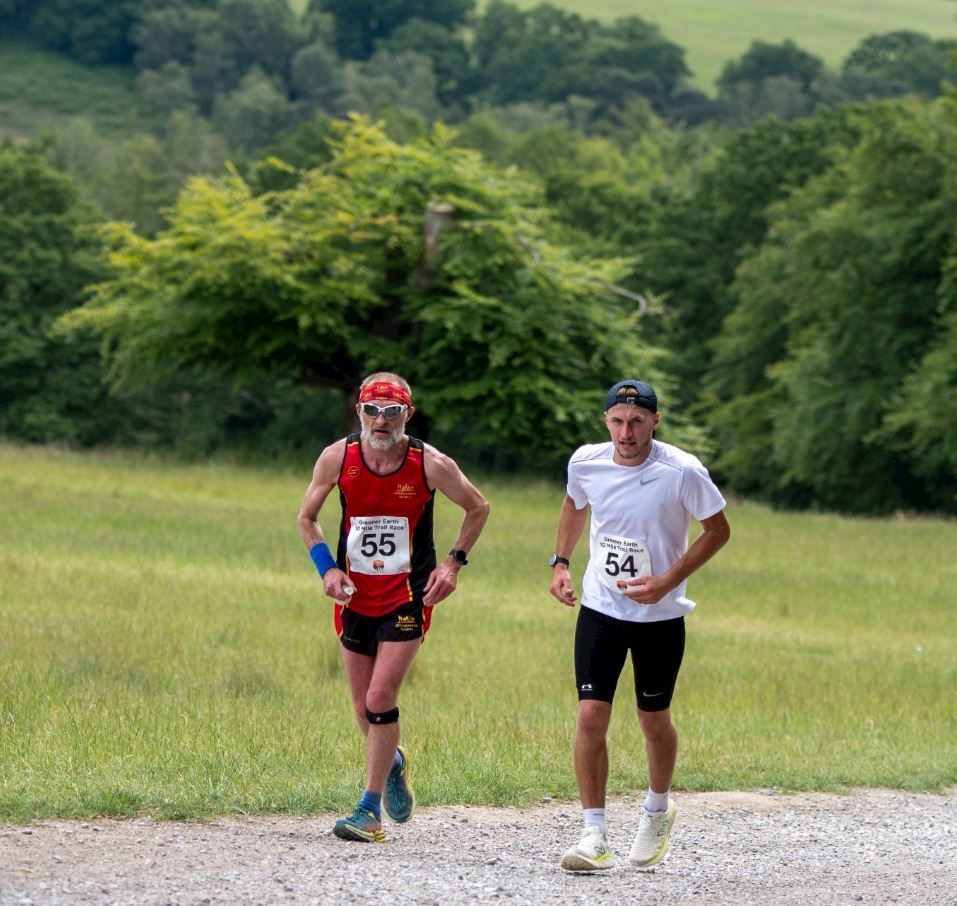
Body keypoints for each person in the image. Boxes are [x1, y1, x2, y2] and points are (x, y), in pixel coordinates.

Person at [298, 371, 490, 843]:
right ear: (358, 412)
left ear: (408, 414)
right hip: (353, 597)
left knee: (381, 698)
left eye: (391, 412)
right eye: (371, 411)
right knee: (364, 710)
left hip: (408, 595)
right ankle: (394, 762)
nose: (380, 422)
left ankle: (368, 811)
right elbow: (307, 518)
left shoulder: (430, 463)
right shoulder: (336, 458)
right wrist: (327, 569)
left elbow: (478, 506)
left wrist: (452, 564)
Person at [548, 379, 731, 872]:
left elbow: (718, 530)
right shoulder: (586, 461)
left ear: (654, 420)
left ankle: (657, 808)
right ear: (605, 420)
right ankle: (593, 834)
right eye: (616, 421)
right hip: (601, 608)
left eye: (635, 422)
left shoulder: (682, 471)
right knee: (590, 717)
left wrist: (669, 579)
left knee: (653, 720)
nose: (625, 432)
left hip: (660, 617)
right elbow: (574, 502)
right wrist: (561, 563)